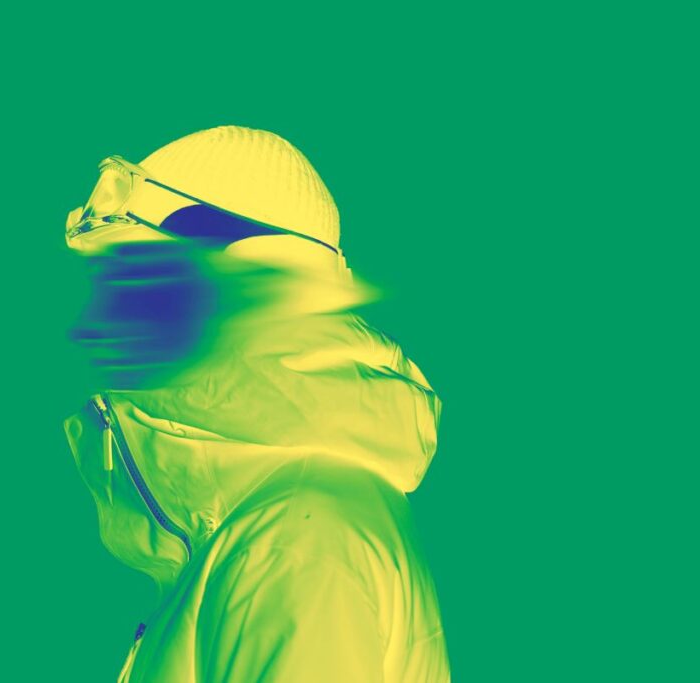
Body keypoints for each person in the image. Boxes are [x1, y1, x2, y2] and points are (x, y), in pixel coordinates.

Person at [62, 125, 451, 682]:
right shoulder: (262, 523)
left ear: (252, 281)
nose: (87, 325)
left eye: (134, 280)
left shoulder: (295, 538)